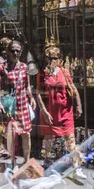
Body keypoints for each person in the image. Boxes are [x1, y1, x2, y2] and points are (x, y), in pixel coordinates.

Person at [37, 44, 85, 178]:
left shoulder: (64, 72)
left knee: (70, 139)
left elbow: (73, 89)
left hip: (65, 110)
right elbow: (39, 93)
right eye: (50, 58)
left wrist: (79, 105)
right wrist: (44, 111)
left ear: (59, 59)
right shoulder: (43, 74)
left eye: (55, 58)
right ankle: (46, 162)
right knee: (49, 139)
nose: (52, 60)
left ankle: (76, 167)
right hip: (50, 112)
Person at [0, 40, 36, 165]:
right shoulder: (2, 67)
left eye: (18, 51)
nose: (15, 53)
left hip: (23, 104)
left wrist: (32, 98)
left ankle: (27, 161)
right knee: (11, 135)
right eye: (13, 50)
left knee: (26, 134)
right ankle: (12, 162)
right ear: (8, 51)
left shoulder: (24, 67)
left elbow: (27, 86)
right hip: (10, 106)